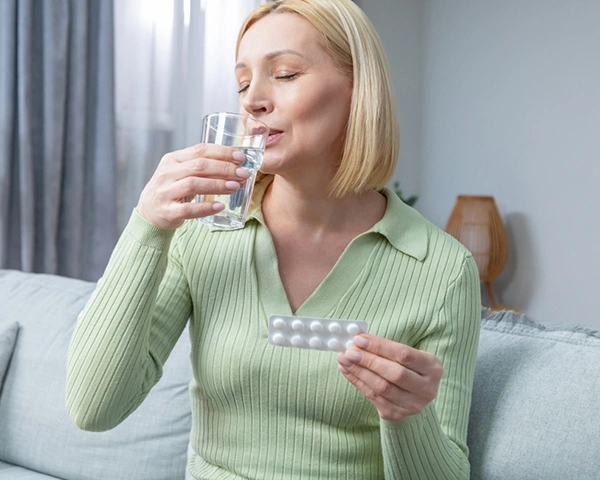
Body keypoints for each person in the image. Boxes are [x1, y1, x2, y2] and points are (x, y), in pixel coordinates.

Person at [66, 0, 481, 478]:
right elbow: (93, 409)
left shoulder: (441, 269)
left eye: (284, 74)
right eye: (243, 83)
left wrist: (408, 417)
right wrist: (147, 224)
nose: (252, 100)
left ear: (358, 88)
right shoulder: (204, 232)